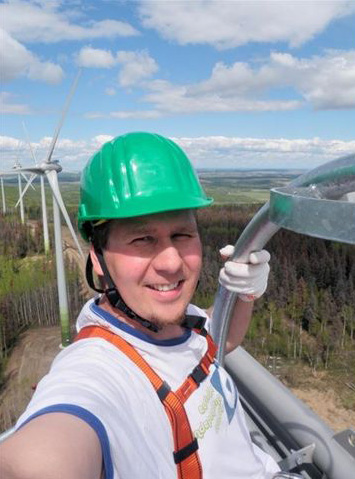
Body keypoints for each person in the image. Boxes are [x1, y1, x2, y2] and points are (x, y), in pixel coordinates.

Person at [0, 132, 279, 479]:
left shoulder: (180, 322)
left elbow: (220, 339)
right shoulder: (96, 368)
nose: (172, 262)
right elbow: (42, 459)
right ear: (98, 259)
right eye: (142, 238)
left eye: (182, 235)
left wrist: (243, 293)